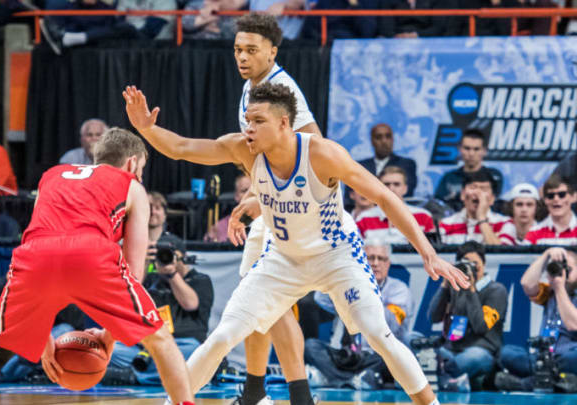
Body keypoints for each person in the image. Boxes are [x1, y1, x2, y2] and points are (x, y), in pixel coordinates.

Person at [124, 83, 468, 405]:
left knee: (379, 334)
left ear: (285, 123)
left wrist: (429, 253)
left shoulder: (322, 154)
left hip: (337, 256)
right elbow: (184, 148)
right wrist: (147, 129)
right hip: (283, 258)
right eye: (248, 120)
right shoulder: (244, 150)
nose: (250, 128)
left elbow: (382, 195)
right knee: (223, 335)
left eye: (259, 121)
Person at [0, 128, 195, 405]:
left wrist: (41, 337)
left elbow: (41, 238)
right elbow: (134, 273)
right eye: (141, 169)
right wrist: (109, 337)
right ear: (132, 163)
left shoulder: (52, 175)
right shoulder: (132, 185)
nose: (140, 175)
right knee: (160, 340)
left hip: (34, 256)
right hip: (90, 253)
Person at [230, 14, 322, 405]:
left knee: (269, 299)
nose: (243, 57)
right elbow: (269, 158)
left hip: (294, 211)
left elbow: (314, 150)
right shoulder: (254, 86)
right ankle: (258, 392)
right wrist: (256, 191)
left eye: (251, 50)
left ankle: (294, 396)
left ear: (273, 51)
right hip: (274, 206)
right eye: (237, 50)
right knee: (259, 299)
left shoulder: (283, 89)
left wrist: (261, 197)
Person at [304, 239, 414, 389]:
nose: (375, 263)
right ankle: (355, 380)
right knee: (310, 346)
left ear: (388, 264)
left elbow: (391, 321)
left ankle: (333, 379)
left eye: (381, 259)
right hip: (347, 355)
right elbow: (320, 297)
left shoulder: (399, 289)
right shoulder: (349, 284)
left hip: (377, 354)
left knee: (394, 357)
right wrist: (343, 276)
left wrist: (362, 294)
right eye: (370, 258)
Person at [106, 238, 214, 385]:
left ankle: (136, 376)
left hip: (183, 344)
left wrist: (172, 275)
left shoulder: (200, 280)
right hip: (147, 346)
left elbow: (190, 304)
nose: (165, 259)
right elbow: (125, 298)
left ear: (182, 256)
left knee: (194, 351)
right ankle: (147, 374)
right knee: (113, 350)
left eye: (169, 255)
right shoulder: (151, 280)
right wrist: (143, 264)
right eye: (160, 255)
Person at [0, 275, 84, 383]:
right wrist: (4, 283)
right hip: (14, 341)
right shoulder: (14, 282)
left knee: (65, 331)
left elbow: (77, 324)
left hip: (41, 345)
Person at [428, 241, 507, 392]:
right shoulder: (455, 286)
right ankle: (446, 379)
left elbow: (480, 326)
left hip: (481, 351)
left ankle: (438, 377)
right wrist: (445, 283)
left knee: (474, 357)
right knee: (414, 342)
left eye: (475, 263)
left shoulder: (497, 291)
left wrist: (470, 289)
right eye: (466, 263)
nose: (471, 267)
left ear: (483, 264)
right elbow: (433, 317)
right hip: (450, 350)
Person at [496, 247, 577, 390]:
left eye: (568, 269)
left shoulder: (557, 290)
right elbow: (527, 283)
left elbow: (573, 324)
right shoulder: (549, 292)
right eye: (560, 269)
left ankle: (525, 384)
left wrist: (559, 288)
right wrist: (546, 255)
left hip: (567, 357)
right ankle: (558, 381)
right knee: (506, 353)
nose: (563, 273)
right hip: (542, 358)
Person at [356, 166, 435, 244]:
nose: (391, 188)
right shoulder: (363, 218)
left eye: (396, 184)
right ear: (378, 188)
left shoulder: (424, 216)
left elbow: (433, 250)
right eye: (386, 184)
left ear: (405, 189)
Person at [438, 170, 517, 246]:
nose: (477, 193)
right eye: (473, 187)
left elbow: (503, 256)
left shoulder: (505, 223)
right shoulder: (446, 224)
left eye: (484, 189)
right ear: (462, 194)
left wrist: (482, 218)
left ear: (492, 198)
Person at [434, 129, 503, 211]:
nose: (471, 154)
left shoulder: (493, 176)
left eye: (476, 149)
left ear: (484, 151)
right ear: (460, 149)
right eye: (467, 148)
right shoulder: (449, 178)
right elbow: (438, 205)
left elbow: (493, 204)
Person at [357, 124, 417, 197]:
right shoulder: (360, 166)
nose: (384, 141)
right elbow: (351, 196)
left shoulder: (406, 164)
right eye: (378, 137)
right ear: (372, 141)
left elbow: (408, 193)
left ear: (393, 139)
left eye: (388, 136)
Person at [525, 174, 577, 245]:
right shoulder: (534, 233)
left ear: (574, 197)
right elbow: (523, 256)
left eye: (562, 194)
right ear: (545, 200)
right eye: (550, 196)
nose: (556, 199)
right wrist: (547, 253)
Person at [204, 174, 251, 243]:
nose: (249, 194)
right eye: (244, 191)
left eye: (253, 191)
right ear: (236, 196)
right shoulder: (220, 227)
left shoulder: (269, 223)